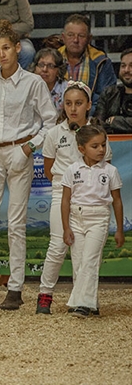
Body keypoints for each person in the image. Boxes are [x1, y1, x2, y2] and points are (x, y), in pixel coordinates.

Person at [0, 20, 58, 311]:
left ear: (18, 48)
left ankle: (15, 289)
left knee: (16, 225)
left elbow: (50, 121)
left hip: (20, 152)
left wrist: (29, 148)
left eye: (6, 48)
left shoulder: (32, 83)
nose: (1, 54)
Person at [36, 81, 111, 315]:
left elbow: (104, 170)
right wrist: (67, 186)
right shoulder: (53, 133)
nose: (73, 108)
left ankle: (85, 301)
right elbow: (49, 169)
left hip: (90, 198)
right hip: (62, 192)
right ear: (62, 105)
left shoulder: (98, 134)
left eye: (78, 103)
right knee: (58, 244)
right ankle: (44, 294)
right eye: (68, 103)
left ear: (88, 105)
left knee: (87, 253)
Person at [61, 125, 123, 318]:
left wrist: (119, 229)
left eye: (103, 145)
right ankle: (91, 303)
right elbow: (65, 200)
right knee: (79, 262)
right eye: (94, 146)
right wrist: (66, 227)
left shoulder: (110, 171)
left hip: (99, 218)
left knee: (90, 260)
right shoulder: (72, 170)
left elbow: (117, 201)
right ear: (81, 148)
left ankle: (81, 304)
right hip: (76, 218)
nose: (101, 150)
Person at [58, 14, 117, 114]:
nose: (75, 40)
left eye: (81, 36)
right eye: (70, 35)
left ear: (89, 39)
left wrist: (83, 116)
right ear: (63, 37)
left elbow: (104, 100)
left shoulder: (101, 62)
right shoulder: (53, 60)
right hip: (55, 119)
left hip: (90, 119)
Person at [95, 48, 132, 133]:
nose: (126, 70)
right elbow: (97, 125)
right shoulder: (109, 93)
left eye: (131, 65)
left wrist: (115, 121)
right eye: (123, 65)